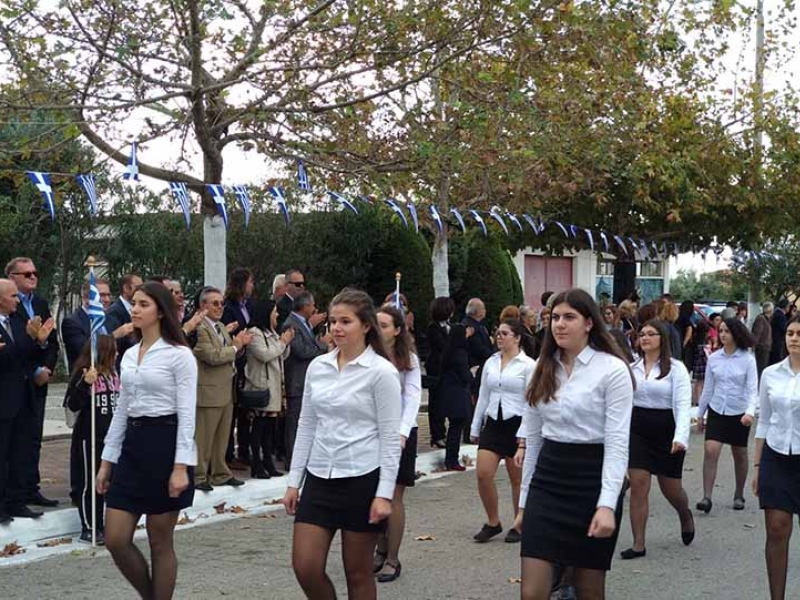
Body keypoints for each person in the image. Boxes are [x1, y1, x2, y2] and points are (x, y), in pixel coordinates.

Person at [282, 289, 401, 600]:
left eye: (345, 321)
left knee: (357, 572)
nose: (336, 327)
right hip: (319, 478)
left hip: (362, 479)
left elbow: (390, 438)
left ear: (366, 325)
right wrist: (294, 482)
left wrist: (384, 494)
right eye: (333, 321)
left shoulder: (381, 372)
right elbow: (307, 425)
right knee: (305, 566)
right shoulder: (318, 367)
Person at [518, 288, 634, 600]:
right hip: (548, 481)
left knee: (589, 590)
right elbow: (533, 440)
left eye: (569, 317)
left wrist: (607, 504)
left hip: (591, 483)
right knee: (531, 592)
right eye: (555, 317)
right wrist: (524, 503)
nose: (559, 324)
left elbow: (617, 442)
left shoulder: (612, 370)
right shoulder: (540, 369)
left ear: (589, 323)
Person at [95, 282, 197, 599]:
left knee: (159, 540)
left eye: (143, 304)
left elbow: (187, 414)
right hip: (132, 447)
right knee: (115, 538)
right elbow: (122, 411)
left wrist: (180, 467)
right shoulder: (128, 355)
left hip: (165, 445)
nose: (135, 310)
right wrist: (106, 462)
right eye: (134, 303)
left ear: (161, 312)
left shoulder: (180, 355)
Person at [620, 319, 694, 560]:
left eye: (651, 334)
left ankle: (684, 513)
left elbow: (683, 405)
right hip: (638, 431)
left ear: (662, 339)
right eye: (642, 334)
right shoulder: (632, 368)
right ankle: (638, 544)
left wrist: (680, 437)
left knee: (671, 489)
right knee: (639, 484)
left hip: (666, 431)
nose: (645, 338)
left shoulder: (676, 368)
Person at [470, 319, 537, 543]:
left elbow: (531, 402)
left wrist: (524, 435)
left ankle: (520, 523)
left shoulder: (528, 365)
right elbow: (483, 394)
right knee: (483, 473)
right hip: (493, 422)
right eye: (497, 333)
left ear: (517, 338)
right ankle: (493, 522)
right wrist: (475, 426)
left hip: (517, 423)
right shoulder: (490, 362)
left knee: (517, 479)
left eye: (505, 333)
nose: (499, 337)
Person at [751, 315, 800, 600]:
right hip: (776, 456)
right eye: (790, 333)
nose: (794, 338)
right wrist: (758, 466)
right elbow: (765, 420)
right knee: (777, 528)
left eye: (799, 334)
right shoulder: (770, 374)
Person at [5, 257, 60, 509]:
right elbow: (15, 345)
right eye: (27, 274)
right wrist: (33, 369)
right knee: (15, 441)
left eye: (35, 272)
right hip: (18, 381)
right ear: (12, 277)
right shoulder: (8, 306)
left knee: (33, 437)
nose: (33, 277)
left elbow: (50, 340)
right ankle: (13, 493)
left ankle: (30, 488)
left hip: (39, 382)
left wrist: (46, 369)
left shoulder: (40, 303)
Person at [374, 305, 422, 583]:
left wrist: (402, 433)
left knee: (393, 496)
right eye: (376, 324)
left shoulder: (409, 359)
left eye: (384, 325)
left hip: (400, 433)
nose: (378, 329)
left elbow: (412, 397)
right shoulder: (369, 356)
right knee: (373, 492)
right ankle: (379, 548)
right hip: (373, 433)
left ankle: (392, 558)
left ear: (397, 330)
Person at [192, 287, 252, 491]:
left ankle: (220, 473)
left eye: (221, 303)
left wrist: (239, 346)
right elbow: (212, 356)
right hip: (208, 391)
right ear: (203, 306)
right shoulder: (200, 328)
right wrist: (235, 346)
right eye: (215, 303)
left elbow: (228, 353)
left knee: (222, 437)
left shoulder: (219, 326)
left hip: (226, 389)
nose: (220, 307)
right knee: (204, 437)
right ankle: (199, 475)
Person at [696, 318, 757, 513]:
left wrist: (750, 412)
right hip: (717, 410)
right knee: (711, 450)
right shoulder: (714, 358)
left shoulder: (748, 359)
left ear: (736, 334)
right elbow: (708, 387)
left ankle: (739, 494)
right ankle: (706, 497)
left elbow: (752, 389)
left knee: (739, 454)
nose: (722, 335)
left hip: (739, 412)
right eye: (720, 331)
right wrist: (700, 413)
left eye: (727, 331)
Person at [66, 335, 119, 543]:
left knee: (106, 482)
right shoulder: (85, 373)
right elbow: (72, 405)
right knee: (88, 483)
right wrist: (85, 384)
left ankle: (103, 525)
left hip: (110, 438)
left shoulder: (114, 375)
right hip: (89, 437)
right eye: (113, 351)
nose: (117, 355)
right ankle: (89, 526)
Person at [243, 299, 294, 478]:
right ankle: (256, 464)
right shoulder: (254, 333)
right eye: (274, 311)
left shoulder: (271, 332)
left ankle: (268, 463)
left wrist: (285, 342)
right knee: (259, 427)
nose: (277, 315)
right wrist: (282, 342)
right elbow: (265, 355)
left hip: (274, 386)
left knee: (269, 428)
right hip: (261, 386)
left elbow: (281, 356)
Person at [283, 291, 329, 469]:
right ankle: (292, 460)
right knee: (294, 424)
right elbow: (302, 351)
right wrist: (322, 344)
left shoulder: (304, 323)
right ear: (305, 306)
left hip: (305, 382)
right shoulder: (291, 324)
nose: (314, 308)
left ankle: (302, 458)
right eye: (312, 305)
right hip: (296, 381)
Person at [222, 267, 255, 466]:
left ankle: (244, 450)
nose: (252, 286)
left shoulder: (249, 305)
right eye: (250, 282)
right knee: (232, 410)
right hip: (235, 361)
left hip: (249, 362)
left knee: (245, 409)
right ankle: (227, 455)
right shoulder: (228, 307)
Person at [436, 324, 473, 471]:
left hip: (448, 395)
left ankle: (450, 459)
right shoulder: (460, 353)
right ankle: (452, 460)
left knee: (453, 429)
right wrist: (472, 373)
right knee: (456, 430)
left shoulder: (448, 351)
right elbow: (466, 376)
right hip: (458, 396)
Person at [463, 298, 494, 443]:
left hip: (481, 366)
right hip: (476, 367)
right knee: (475, 400)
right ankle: (471, 431)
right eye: (483, 308)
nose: (485, 311)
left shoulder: (479, 325)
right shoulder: (471, 326)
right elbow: (478, 348)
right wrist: (493, 356)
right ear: (477, 311)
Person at [425, 297, 454, 449]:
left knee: (444, 401)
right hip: (436, 368)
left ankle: (443, 432)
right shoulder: (433, 328)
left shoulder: (449, 326)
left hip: (448, 369)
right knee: (436, 402)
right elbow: (442, 346)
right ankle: (437, 435)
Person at [691, 320, 712, 405]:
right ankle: (698, 400)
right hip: (702, 363)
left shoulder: (695, 338)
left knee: (698, 382)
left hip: (698, 362)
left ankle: (696, 399)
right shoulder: (702, 341)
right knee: (701, 382)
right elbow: (703, 352)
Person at [753, 302, 774, 379]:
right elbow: (757, 333)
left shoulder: (766, 319)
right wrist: (754, 345)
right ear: (770, 310)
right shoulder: (761, 319)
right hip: (762, 348)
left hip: (765, 347)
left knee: (763, 368)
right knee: (761, 368)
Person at [770, 299, 789, 366]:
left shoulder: (776, 313)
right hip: (777, 342)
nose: (789, 308)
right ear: (785, 306)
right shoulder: (780, 315)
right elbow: (784, 329)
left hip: (774, 341)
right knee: (777, 361)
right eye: (788, 306)